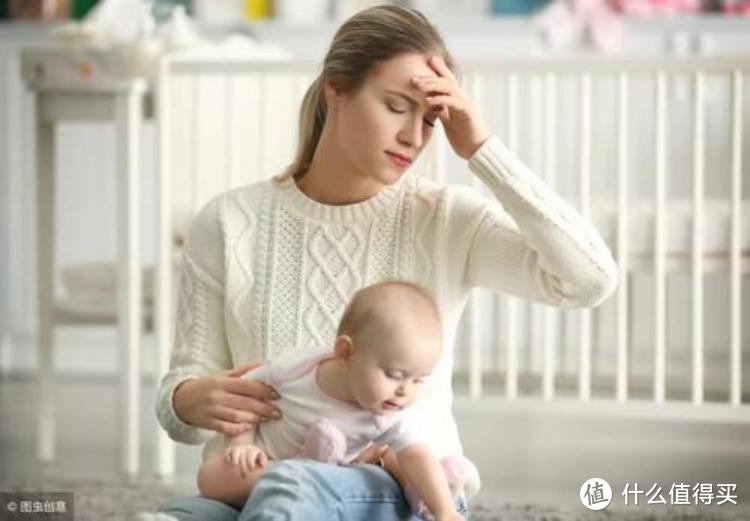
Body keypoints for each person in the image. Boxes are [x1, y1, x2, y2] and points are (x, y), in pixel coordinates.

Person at [156, 5, 619, 521]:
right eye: (397, 106)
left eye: (430, 119)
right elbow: (185, 394)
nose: (415, 137)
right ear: (337, 89)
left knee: (292, 492)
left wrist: (483, 151)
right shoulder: (228, 221)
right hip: (248, 489)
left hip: (397, 489)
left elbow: (589, 280)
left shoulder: (447, 219)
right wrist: (188, 400)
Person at [196, 281, 478, 521]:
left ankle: (427, 488)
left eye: (418, 380)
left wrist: (446, 514)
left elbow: (416, 455)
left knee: (387, 461)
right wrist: (241, 444)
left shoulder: (389, 412)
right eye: (395, 375)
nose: (405, 392)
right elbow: (241, 391)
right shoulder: (298, 368)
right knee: (209, 480)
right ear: (345, 353)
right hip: (263, 466)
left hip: (326, 479)